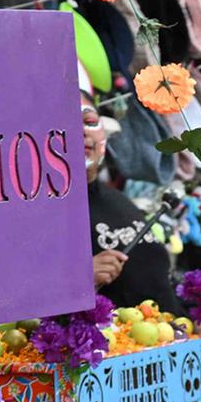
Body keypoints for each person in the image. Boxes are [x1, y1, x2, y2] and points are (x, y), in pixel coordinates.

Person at [81, 86, 178, 312]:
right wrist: (79, 280)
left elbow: (159, 288)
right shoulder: (39, 214)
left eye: (89, 121)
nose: (82, 131)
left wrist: (196, 327)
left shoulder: (118, 201)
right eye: (66, 122)